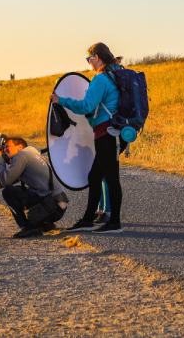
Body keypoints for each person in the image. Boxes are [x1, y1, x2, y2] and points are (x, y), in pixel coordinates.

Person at [52, 42, 126, 233]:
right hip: (115, 133)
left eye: (89, 59)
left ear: (98, 57)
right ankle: (88, 219)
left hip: (107, 134)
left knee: (110, 178)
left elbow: (87, 106)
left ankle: (114, 223)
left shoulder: (101, 79)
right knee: (95, 176)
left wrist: (62, 101)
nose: (88, 63)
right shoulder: (115, 74)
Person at [0, 136, 69, 238]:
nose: (5, 150)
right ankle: (44, 223)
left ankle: (29, 227)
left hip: (51, 205)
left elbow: (5, 182)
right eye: (4, 148)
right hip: (58, 206)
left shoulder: (22, 155)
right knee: (14, 190)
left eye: (7, 146)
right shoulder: (31, 155)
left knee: (8, 192)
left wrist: (0, 159)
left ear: (20, 147)